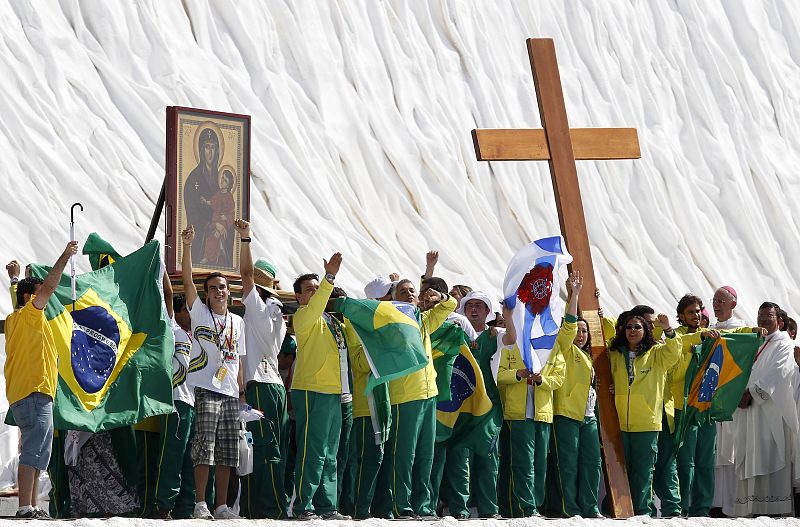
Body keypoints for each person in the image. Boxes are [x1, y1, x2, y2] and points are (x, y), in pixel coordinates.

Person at [5, 241, 78, 519]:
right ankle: (25, 506)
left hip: (27, 394)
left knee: (38, 452)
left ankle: (32, 506)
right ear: (29, 298)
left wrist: (15, 278)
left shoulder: (16, 318)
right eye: (38, 295)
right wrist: (65, 255)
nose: (45, 299)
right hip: (35, 392)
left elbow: (19, 294)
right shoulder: (31, 315)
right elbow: (49, 286)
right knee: (34, 451)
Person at [372, 278, 456, 519]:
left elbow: (450, 304)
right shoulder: (389, 321)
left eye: (412, 291)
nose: (409, 294)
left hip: (429, 394)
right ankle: (401, 505)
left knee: (426, 455)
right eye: (403, 291)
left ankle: (424, 505)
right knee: (404, 455)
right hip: (404, 395)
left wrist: (439, 297)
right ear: (393, 298)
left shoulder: (424, 321)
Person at [180, 224, 246, 520]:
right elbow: (187, 281)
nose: (219, 291)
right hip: (206, 388)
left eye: (223, 287)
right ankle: (200, 503)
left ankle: (221, 506)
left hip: (230, 392)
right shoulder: (200, 313)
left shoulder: (238, 322)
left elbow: (238, 362)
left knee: (227, 452)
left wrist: (242, 395)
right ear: (206, 295)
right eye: (213, 288)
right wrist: (187, 247)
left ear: (229, 292)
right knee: (204, 447)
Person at [437, 291, 514, 519]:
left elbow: (511, 339)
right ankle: (459, 509)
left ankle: (489, 509)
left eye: (479, 305)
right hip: (460, 404)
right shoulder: (454, 333)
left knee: (488, 457)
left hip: (487, 406)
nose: (473, 309)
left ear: (487, 311)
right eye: (469, 305)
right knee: (459, 457)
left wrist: (508, 315)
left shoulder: (493, 334)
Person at [234, 219, 290, 519]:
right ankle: (272, 503)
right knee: (275, 447)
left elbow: (245, 274)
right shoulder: (278, 313)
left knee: (260, 447)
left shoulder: (257, 307)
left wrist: (246, 240)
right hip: (276, 386)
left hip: (260, 385)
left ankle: (263, 506)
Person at [290, 254, 351, 521]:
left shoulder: (333, 321)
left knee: (330, 453)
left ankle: (327, 505)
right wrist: (329, 278)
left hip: (334, 392)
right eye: (309, 290)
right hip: (311, 389)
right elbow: (317, 305)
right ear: (299, 297)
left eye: (318, 289)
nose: (315, 293)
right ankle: (304, 505)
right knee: (312, 450)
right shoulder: (303, 316)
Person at [497, 297, 566, 518]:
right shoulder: (511, 344)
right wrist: (518, 374)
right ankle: (526, 507)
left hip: (542, 414)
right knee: (523, 462)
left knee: (540, 463)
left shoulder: (552, 347)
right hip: (518, 414)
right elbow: (498, 375)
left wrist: (541, 380)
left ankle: (536, 504)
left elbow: (558, 379)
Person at [730, 302, 800, 517]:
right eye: (760, 315)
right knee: (751, 452)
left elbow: (778, 373)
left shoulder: (784, 343)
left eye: (768, 316)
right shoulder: (759, 342)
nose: (763, 319)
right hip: (749, 411)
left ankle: (774, 509)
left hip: (770, 411)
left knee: (770, 454)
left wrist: (751, 393)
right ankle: (752, 508)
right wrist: (737, 392)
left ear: (780, 321)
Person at [608, 310, 680, 516]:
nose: (632, 331)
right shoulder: (615, 353)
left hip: (647, 422)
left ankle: (642, 511)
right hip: (620, 421)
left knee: (643, 470)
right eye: (629, 327)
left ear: (646, 330)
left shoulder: (656, 353)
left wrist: (668, 329)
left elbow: (674, 353)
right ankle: (622, 510)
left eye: (638, 327)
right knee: (621, 469)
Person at [550, 272, 602, 518]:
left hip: (588, 416)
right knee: (568, 464)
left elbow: (606, 329)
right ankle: (569, 508)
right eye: (578, 331)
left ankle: (590, 507)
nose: (580, 334)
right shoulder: (565, 348)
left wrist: (595, 305)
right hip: (567, 414)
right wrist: (574, 295)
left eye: (585, 331)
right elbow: (569, 325)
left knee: (592, 463)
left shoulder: (591, 357)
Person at [152, 278, 197, 519]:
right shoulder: (173, 330)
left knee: (190, 458)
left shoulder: (195, 336)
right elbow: (168, 294)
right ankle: (164, 505)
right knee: (172, 454)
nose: (191, 314)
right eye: (187, 310)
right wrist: (160, 263)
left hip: (194, 403)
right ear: (177, 313)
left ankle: (186, 508)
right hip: (176, 401)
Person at [709, 285, 747, 516]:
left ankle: (732, 504)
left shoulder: (741, 330)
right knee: (715, 450)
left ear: (733, 304)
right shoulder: (710, 330)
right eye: (714, 301)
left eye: (721, 301)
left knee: (731, 450)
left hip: (731, 396)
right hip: (712, 396)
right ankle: (716, 502)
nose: (716, 305)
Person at [184, 127, 222, 262]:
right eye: (207, 147)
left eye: (213, 147)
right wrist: (210, 226)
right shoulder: (194, 178)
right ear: (201, 150)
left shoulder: (222, 178)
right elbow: (192, 213)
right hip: (200, 238)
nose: (210, 152)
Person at [200, 169, 236, 267]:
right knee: (210, 237)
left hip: (223, 223)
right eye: (222, 178)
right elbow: (213, 203)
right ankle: (210, 256)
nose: (222, 181)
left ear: (228, 185)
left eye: (225, 180)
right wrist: (206, 202)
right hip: (215, 220)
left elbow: (232, 213)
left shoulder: (229, 197)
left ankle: (208, 257)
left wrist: (226, 217)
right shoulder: (218, 194)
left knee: (214, 237)